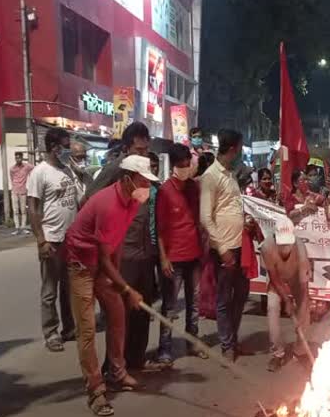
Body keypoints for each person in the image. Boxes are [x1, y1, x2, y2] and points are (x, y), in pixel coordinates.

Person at [65, 155, 158, 416]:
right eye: (142, 181)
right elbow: (104, 257)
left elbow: (115, 245)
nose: (146, 187)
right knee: (87, 328)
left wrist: (118, 283)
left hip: (101, 262)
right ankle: (96, 389)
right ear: (127, 179)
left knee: (118, 313)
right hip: (81, 263)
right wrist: (127, 289)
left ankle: (117, 373)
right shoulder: (108, 204)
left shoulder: (131, 203)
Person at [86, 123, 157, 371]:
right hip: (122, 254)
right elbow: (89, 201)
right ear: (126, 149)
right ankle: (114, 368)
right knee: (121, 316)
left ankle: (136, 361)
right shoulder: (115, 169)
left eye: (146, 150)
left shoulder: (145, 171)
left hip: (144, 252)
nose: (143, 154)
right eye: (139, 149)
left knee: (141, 313)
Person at [26, 128, 79, 352]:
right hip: (52, 239)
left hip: (71, 240)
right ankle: (51, 332)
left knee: (69, 289)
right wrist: (41, 240)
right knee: (50, 290)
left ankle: (70, 328)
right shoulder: (40, 172)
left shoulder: (68, 169)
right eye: (66, 146)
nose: (69, 150)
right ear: (54, 147)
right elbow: (33, 208)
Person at [200, 129, 250, 362]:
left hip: (240, 245)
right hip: (225, 248)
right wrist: (222, 250)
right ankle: (227, 345)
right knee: (224, 299)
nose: (240, 151)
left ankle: (233, 338)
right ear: (233, 148)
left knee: (241, 294)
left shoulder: (230, 174)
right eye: (239, 147)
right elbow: (206, 218)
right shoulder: (211, 176)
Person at [155, 144, 207, 365]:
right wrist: (164, 258)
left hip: (194, 255)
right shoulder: (165, 191)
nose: (185, 168)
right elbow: (159, 229)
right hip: (174, 258)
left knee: (194, 303)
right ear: (174, 166)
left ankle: (192, 342)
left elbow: (198, 220)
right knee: (169, 305)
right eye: (182, 165)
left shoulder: (193, 188)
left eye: (188, 164)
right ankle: (164, 348)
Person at [261, 219, 311, 371]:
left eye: (288, 244)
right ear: (276, 238)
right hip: (278, 281)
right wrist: (286, 301)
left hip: (296, 278)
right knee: (272, 308)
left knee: (304, 312)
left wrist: (299, 307)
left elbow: (303, 284)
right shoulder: (267, 247)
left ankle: (300, 351)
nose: (285, 248)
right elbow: (274, 277)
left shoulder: (300, 249)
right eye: (282, 244)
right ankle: (278, 353)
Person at [9, 151, 34, 235]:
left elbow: (34, 168)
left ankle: (23, 228)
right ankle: (17, 228)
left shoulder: (26, 166)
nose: (18, 159)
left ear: (22, 158)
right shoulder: (12, 169)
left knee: (23, 210)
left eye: (19, 157)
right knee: (15, 210)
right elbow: (12, 179)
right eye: (16, 158)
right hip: (14, 191)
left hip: (23, 191)